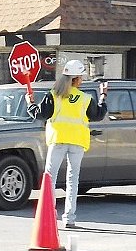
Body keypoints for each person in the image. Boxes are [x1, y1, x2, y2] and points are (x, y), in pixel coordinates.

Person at [27, 59, 107, 228]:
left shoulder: (54, 95)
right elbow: (98, 115)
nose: (82, 80)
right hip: (77, 142)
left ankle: (48, 214)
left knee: (50, 178)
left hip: (58, 140)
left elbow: (40, 114)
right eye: (81, 77)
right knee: (73, 180)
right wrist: (103, 96)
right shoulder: (85, 98)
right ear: (76, 79)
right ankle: (69, 218)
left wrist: (30, 102)